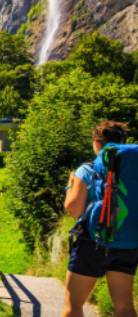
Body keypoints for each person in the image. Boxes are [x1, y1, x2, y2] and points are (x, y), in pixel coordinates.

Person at [62, 121, 137, 317]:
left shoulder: (87, 170)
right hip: (127, 243)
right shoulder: (133, 169)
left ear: (96, 143)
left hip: (92, 243)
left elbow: (74, 209)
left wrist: (71, 185)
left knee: (74, 306)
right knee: (125, 308)